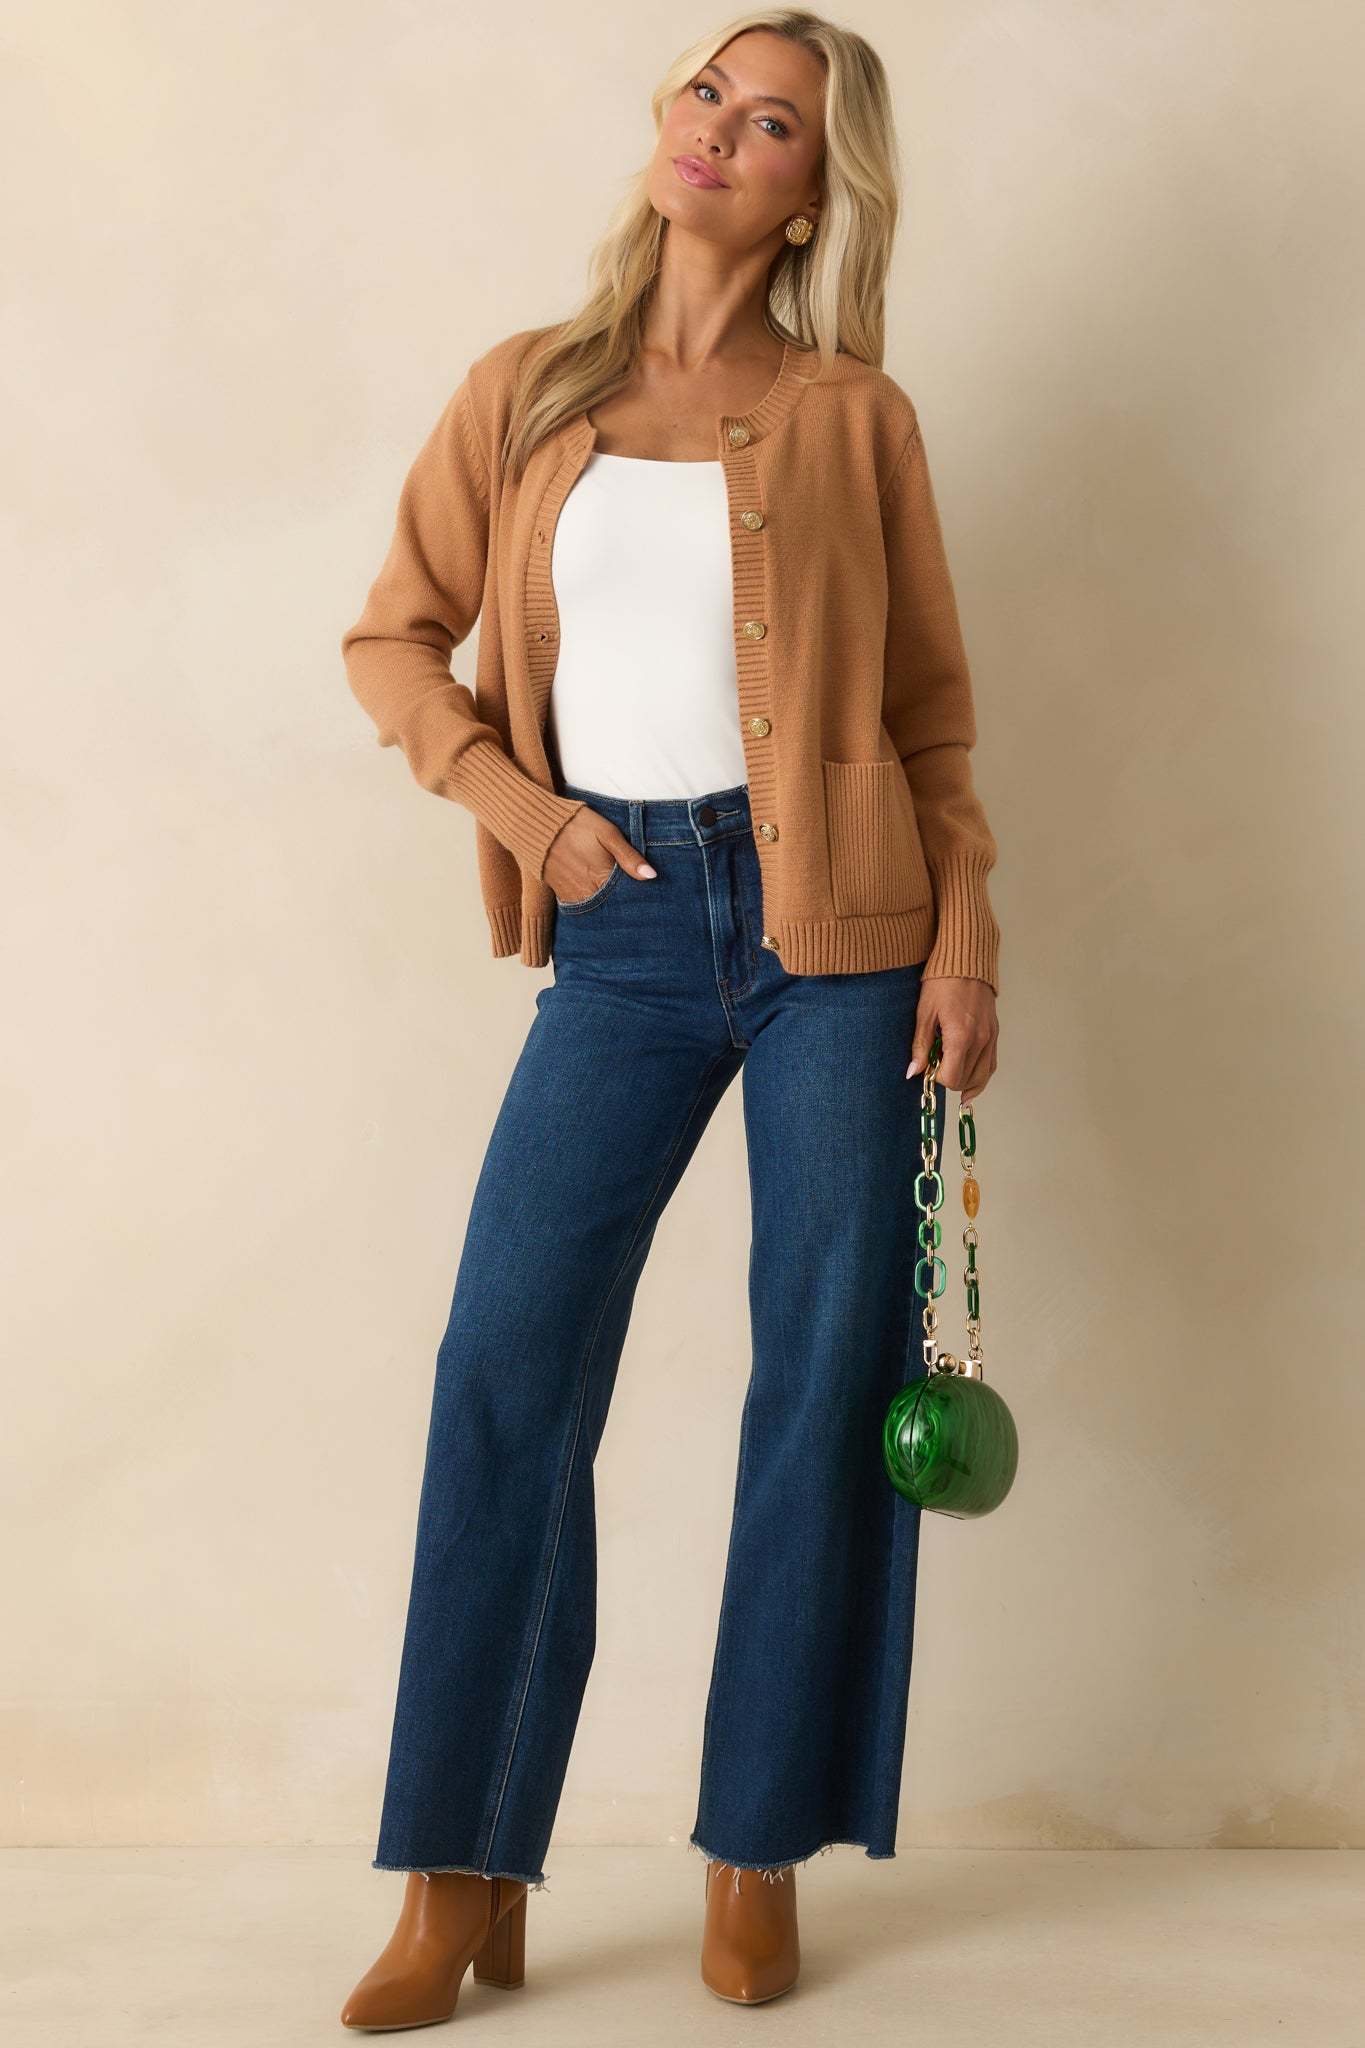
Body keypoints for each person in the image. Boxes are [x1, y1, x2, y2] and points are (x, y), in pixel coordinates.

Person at [337, 8, 1001, 2027]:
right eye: (708, 89)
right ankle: (461, 1870)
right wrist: (521, 814)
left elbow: (928, 718)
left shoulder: (854, 419)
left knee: (818, 1370)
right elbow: (391, 640)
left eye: (769, 119)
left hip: (844, 932)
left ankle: (753, 1847)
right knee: (504, 1367)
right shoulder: (522, 391)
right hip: (620, 925)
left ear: (810, 191)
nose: (719, 126)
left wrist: (965, 938)